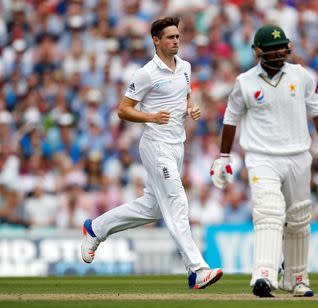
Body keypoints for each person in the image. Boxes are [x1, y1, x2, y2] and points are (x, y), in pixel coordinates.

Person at [81, 16, 223, 289]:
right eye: (170, 37)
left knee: (152, 208)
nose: (176, 41)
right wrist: (151, 116)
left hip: (176, 145)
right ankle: (197, 269)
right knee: (178, 202)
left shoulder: (186, 67)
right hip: (156, 145)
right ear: (156, 41)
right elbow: (123, 110)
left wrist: (191, 107)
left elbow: (185, 94)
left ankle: (95, 228)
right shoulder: (146, 73)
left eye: (178, 37)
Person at [210, 25, 318, 297]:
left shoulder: (302, 76)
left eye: (281, 47)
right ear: (258, 51)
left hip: (298, 156)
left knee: (298, 218)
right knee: (269, 211)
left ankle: (296, 279)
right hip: (261, 157)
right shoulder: (245, 82)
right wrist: (224, 157)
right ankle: (264, 275)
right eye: (272, 48)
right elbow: (230, 119)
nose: (278, 52)